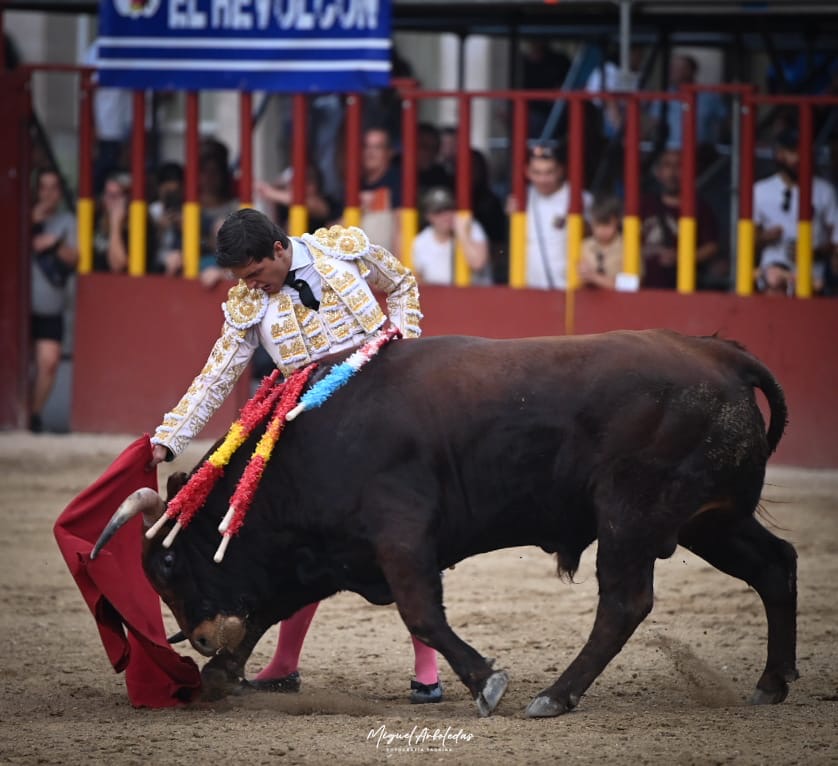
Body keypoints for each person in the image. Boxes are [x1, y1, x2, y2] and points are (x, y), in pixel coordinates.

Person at [147, 209, 440, 703]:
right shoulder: (247, 304)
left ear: (280, 249)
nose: (252, 286)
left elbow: (403, 283)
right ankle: (284, 663)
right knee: (306, 547)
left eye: (257, 274)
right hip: (315, 438)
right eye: (243, 279)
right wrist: (168, 438)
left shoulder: (341, 249)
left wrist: (404, 350)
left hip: (383, 420)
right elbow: (216, 376)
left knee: (406, 534)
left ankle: (428, 670)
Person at [753, 128, 838, 295]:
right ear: (779, 154)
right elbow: (747, 242)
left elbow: (834, 240)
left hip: (812, 277)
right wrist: (764, 238)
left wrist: (813, 252)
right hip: (771, 273)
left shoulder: (825, 190)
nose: (799, 157)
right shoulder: (760, 190)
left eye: (804, 150)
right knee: (773, 278)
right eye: (793, 151)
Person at [29, 168, 78, 433]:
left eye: (54, 188)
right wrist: (29, 222)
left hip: (49, 305)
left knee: (48, 361)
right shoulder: (18, 217)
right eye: (43, 187)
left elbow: (75, 258)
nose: (48, 194)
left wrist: (54, 243)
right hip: (16, 310)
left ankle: (33, 417)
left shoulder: (67, 221)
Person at [515, 141, 593, 290]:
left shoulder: (579, 198)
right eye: (536, 172)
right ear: (527, 172)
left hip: (568, 288)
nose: (543, 179)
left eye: (549, 172)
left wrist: (579, 222)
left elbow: (593, 237)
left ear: (560, 171)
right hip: (528, 288)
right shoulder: (522, 198)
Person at [640, 147, 720, 289]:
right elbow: (625, 240)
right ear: (658, 172)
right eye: (667, 166)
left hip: (683, 288)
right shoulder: (644, 204)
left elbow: (711, 246)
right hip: (642, 288)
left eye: (679, 166)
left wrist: (681, 258)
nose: (672, 173)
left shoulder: (700, 207)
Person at [411, 187, 490, 286]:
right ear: (428, 216)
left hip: (476, 296)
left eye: (449, 209)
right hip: (439, 297)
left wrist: (462, 234)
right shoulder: (421, 241)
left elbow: (478, 263)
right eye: (438, 211)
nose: (446, 216)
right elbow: (418, 279)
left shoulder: (470, 227)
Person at [92, 171, 159, 274]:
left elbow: (118, 265)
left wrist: (115, 224)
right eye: (107, 194)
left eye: (115, 196)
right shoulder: (97, 219)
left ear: (127, 199)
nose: (109, 200)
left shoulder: (142, 226)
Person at [255, 165, 342, 233]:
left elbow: (309, 204)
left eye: (308, 182)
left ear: (317, 185)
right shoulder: (284, 205)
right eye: (295, 182)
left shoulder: (327, 203)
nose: (302, 187)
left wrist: (271, 193)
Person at [360, 126, 401, 256]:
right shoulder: (353, 183)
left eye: (377, 147)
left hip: (385, 266)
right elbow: (331, 227)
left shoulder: (397, 182)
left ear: (389, 152)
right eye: (367, 146)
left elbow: (402, 228)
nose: (370, 152)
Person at [579, 196, 625, 290]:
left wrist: (594, 277)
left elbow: (632, 285)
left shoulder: (627, 248)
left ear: (618, 222)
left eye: (607, 225)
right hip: (588, 301)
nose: (602, 230)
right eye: (597, 225)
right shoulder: (584, 246)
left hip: (619, 302)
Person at [148, 161, 185, 276]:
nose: (171, 197)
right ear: (159, 188)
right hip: (154, 267)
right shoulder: (151, 211)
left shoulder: (189, 213)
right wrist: (156, 229)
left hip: (181, 266)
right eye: (168, 192)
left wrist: (185, 228)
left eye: (175, 192)